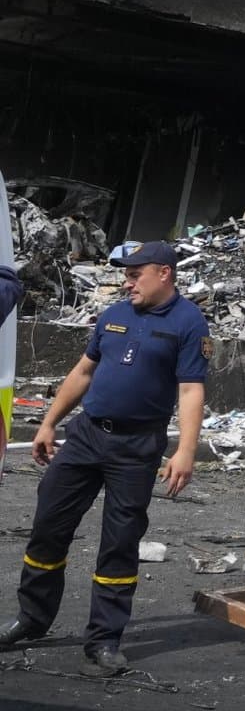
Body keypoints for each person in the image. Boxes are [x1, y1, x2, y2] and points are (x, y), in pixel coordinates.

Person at [2, 241, 208, 673]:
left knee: (120, 542)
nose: (127, 282)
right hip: (86, 437)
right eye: (126, 274)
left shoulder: (189, 323)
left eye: (135, 274)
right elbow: (83, 371)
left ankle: (104, 639)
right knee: (48, 526)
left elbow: (190, 390)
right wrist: (48, 422)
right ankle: (32, 618)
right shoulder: (114, 315)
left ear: (164, 273)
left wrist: (185, 451)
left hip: (137, 448)